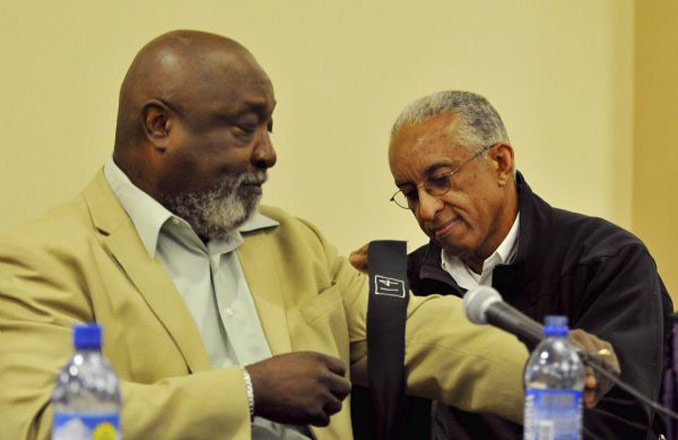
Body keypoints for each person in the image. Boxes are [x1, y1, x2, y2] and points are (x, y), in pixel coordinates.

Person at [0, 32, 615, 440]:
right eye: (246, 129)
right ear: (159, 126)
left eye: (269, 126)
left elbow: (415, 332)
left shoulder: (292, 243)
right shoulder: (44, 261)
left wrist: (543, 364)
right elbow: (44, 422)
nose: (269, 153)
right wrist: (247, 391)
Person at [349, 90, 673, 439]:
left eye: (440, 180)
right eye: (411, 193)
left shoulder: (606, 260)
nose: (426, 209)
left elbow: (616, 422)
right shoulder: (401, 286)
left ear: (501, 163)